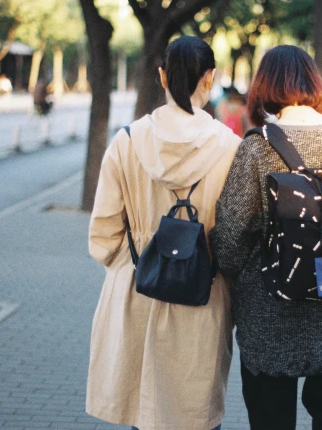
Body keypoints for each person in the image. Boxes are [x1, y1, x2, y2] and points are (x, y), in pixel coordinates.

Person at [210, 45, 322, 430]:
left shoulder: (257, 148)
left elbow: (228, 244)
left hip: (269, 319)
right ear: (314, 84)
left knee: (271, 421)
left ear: (264, 87)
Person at [86, 36, 240, 430]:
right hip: (201, 299)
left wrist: (140, 257)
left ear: (162, 77)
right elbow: (237, 238)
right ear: (210, 78)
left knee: (143, 412)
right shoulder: (232, 148)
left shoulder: (125, 142)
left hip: (137, 288)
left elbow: (103, 236)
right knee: (194, 413)